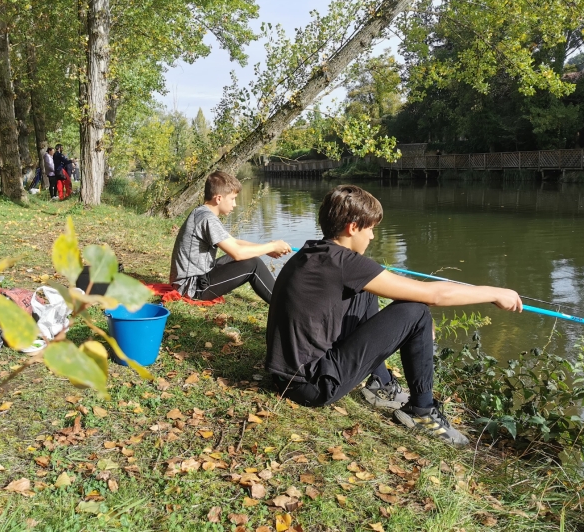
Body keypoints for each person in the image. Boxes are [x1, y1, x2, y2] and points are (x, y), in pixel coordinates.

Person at [265, 185, 522, 446]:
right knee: (418, 311)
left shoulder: (315, 251)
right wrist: (494, 292)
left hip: (288, 375)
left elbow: (393, 288)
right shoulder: (345, 264)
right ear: (353, 227)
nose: (373, 237)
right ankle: (421, 411)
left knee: (368, 291)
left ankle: (381, 383)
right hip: (311, 386)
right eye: (371, 229)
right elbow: (433, 296)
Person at [169, 170, 292, 303]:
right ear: (219, 198)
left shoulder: (202, 212)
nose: (235, 204)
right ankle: (284, 304)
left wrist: (267, 248)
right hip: (191, 287)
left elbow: (234, 242)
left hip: (189, 282)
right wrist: (272, 246)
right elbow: (238, 253)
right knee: (253, 264)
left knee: (250, 257)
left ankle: (284, 300)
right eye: (232, 199)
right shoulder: (207, 219)